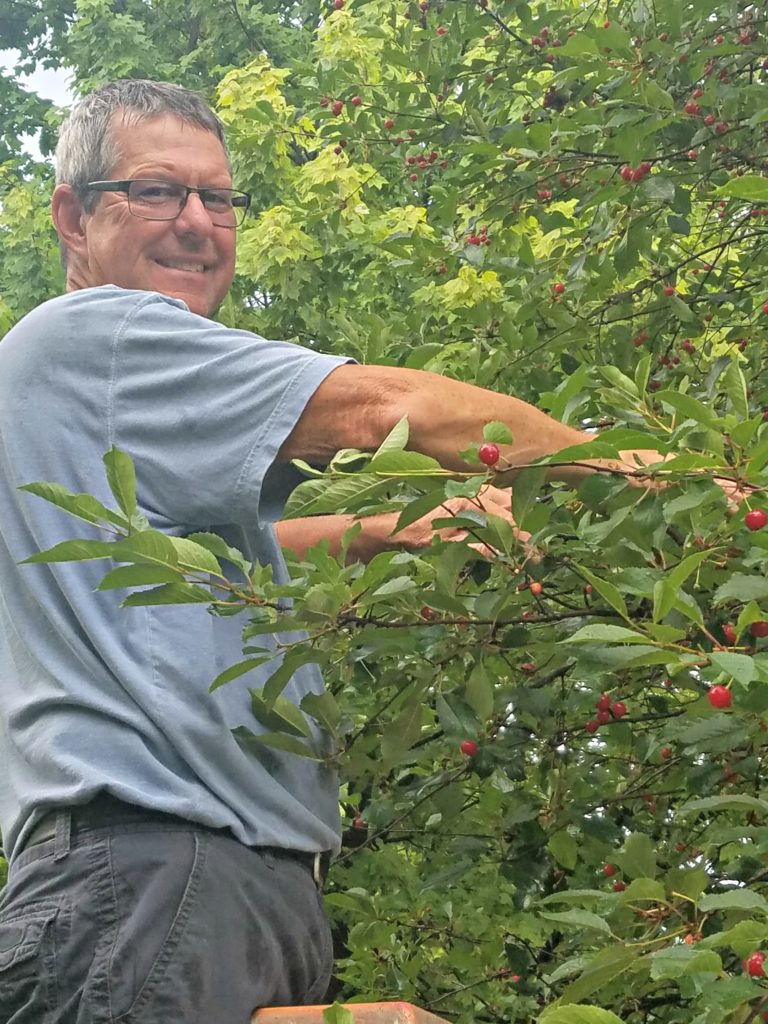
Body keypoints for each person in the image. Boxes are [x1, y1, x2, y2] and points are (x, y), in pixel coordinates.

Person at [0, 79, 661, 1023]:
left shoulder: (112, 416)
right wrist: (638, 470)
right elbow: (391, 410)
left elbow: (235, 553)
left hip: (218, 882)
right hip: (153, 869)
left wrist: (409, 526)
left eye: (218, 198)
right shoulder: (97, 338)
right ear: (73, 214)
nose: (196, 221)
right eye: (156, 190)